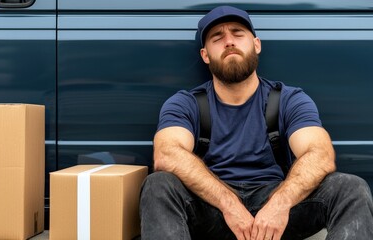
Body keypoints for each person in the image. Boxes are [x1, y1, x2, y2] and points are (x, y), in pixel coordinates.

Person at [140, 5, 373, 240]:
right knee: (158, 185)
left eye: (238, 33)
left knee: (351, 189)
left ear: (256, 44)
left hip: (276, 208)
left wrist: (279, 205)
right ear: (205, 55)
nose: (229, 41)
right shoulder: (185, 103)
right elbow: (167, 154)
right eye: (217, 37)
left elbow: (320, 154)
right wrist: (229, 204)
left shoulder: (289, 99)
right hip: (212, 206)